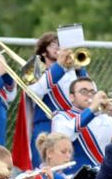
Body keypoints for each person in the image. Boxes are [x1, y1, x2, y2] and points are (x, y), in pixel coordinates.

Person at [29, 32, 90, 166]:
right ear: (44, 52)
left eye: (60, 44)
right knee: (42, 165)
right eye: (53, 45)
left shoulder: (72, 70)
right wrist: (60, 66)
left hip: (71, 123)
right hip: (46, 123)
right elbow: (34, 91)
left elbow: (89, 91)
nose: (59, 48)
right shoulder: (34, 67)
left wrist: (80, 71)